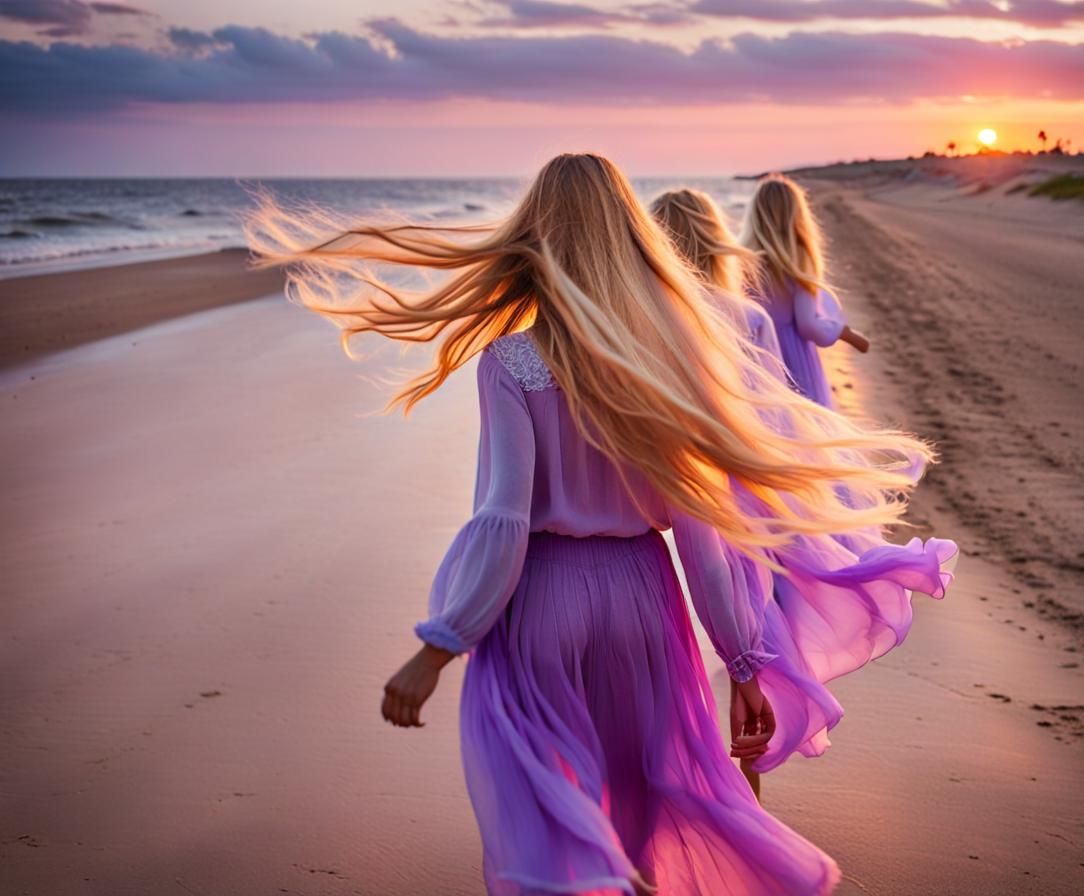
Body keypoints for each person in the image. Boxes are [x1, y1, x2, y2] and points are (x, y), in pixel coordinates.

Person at [247, 153, 939, 895]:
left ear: (535, 238)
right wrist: (742, 662)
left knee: (556, 819)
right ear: (631, 237)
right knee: (643, 808)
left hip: (541, 603)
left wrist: (440, 643)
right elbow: (702, 538)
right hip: (645, 603)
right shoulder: (676, 359)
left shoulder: (511, 360)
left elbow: (504, 520)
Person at [650, 186, 957, 794]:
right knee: (750, 619)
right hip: (741, 492)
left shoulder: (649, 314)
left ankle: (677, 772)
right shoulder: (749, 316)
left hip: (665, 494)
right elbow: (778, 417)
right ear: (717, 242)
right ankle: (752, 773)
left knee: (673, 638)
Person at [742, 174, 869, 409]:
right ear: (797, 216)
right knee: (805, 429)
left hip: (757, 359)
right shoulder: (798, 260)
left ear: (755, 215)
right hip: (793, 362)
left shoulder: (742, 261)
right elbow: (809, 326)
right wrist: (842, 331)